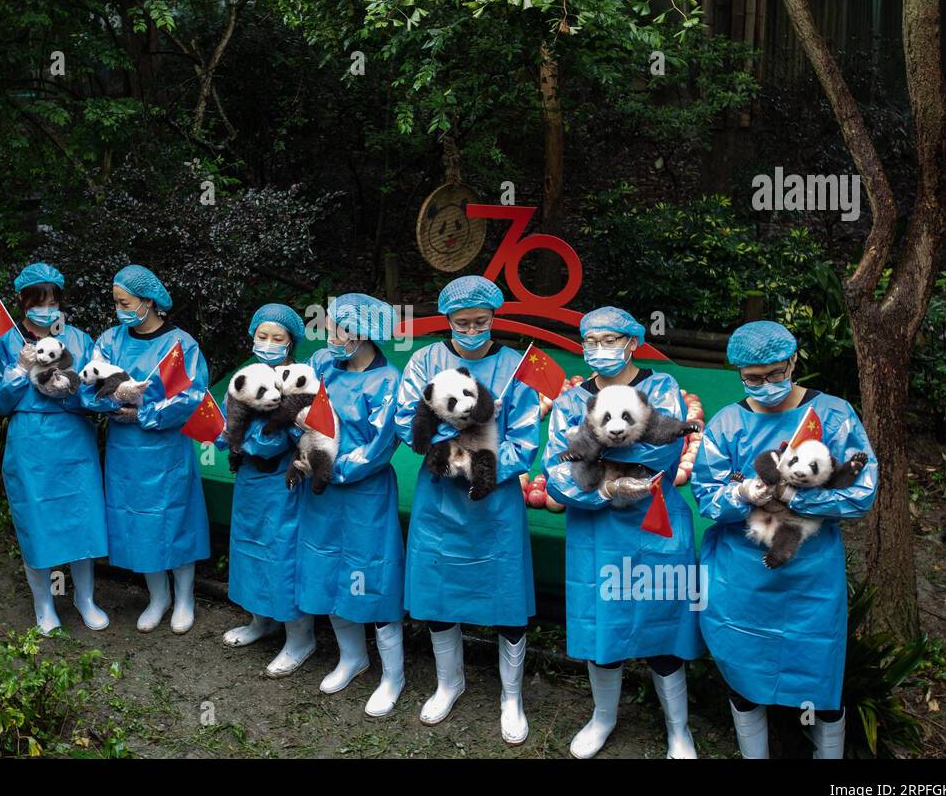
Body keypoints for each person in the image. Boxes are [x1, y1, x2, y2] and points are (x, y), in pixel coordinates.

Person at [692, 320, 878, 759]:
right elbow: (706, 494)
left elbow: (862, 494)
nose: (767, 385)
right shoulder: (727, 423)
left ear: (794, 362)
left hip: (810, 575)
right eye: (753, 378)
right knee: (743, 674)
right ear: (738, 372)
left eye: (777, 373)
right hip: (742, 575)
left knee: (818, 677)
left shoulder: (832, 415)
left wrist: (798, 498)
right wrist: (740, 494)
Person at [541, 306, 703, 759]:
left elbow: (662, 455)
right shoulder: (573, 399)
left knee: (664, 627)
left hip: (657, 529)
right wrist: (607, 487)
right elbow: (557, 472)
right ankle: (604, 717)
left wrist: (601, 467)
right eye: (590, 341)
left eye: (610, 340)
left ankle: (678, 729)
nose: (598, 350)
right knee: (602, 628)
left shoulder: (661, 389)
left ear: (632, 341)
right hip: (597, 535)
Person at [394, 275, 541, 745]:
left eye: (481, 321)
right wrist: (450, 456)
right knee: (438, 590)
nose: (472, 329)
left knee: (507, 598)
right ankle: (448, 682)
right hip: (439, 499)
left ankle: (511, 696)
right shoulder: (425, 361)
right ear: (448, 321)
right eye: (462, 322)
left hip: (495, 502)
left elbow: (525, 439)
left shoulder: (517, 367)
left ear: (495, 318)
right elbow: (405, 419)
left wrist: (480, 465)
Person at [0, 262, 110, 635]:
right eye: (39, 300)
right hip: (30, 442)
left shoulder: (79, 340)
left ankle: (85, 599)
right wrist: (18, 370)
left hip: (74, 439)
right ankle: (44, 605)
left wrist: (74, 387)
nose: (47, 308)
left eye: (53, 301)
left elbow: (97, 392)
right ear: (23, 300)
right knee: (37, 520)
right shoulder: (7, 343)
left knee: (82, 516)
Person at [296, 294, 406, 717]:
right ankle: (352, 657)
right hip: (320, 495)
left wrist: (332, 469)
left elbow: (379, 447)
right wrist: (304, 450)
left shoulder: (388, 382)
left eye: (341, 329)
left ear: (365, 332)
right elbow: (301, 409)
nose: (331, 336)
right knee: (328, 570)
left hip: (365, 493)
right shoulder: (324, 367)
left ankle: (393, 675)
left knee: (371, 575)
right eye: (330, 328)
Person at [87, 265, 210, 634]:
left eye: (124, 302)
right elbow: (89, 385)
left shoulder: (181, 344)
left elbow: (192, 396)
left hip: (167, 449)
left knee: (175, 520)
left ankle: (184, 597)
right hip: (126, 453)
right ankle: (158, 597)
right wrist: (114, 403)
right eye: (115, 302)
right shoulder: (110, 340)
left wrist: (144, 412)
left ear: (148, 301)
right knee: (139, 522)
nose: (119, 309)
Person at [218, 303, 317, 677]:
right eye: (263, 336)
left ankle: (300, 638)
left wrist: (245, 441)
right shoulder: (246, 374)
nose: (269, 343)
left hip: (283, 480)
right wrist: (223, 434)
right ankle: (260, 621)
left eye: (278, 338)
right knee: (248, 547)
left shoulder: (299, 379)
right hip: (248, 481)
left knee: (283, 554)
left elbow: (293, 431)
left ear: (291, 343)